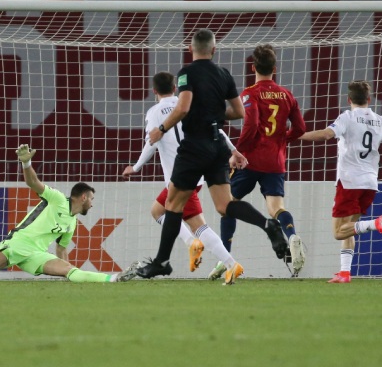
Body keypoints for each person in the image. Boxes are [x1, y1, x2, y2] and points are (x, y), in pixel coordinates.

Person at [133, 29, 288, 282]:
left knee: (172, 205)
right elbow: (239, 112)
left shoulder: (186, 73)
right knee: (224, 205)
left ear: (191, 49)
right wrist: (214, 114)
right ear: (214, 50)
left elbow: (183, 108)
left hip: (195, 145)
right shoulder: (223, 74)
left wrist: (161, 129)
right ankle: (267, 224)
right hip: (218, 145)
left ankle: (162, 261)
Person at [0, 144, 137, 283]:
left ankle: (114, 278)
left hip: (35, 255)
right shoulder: (58, 199)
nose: (93, 205)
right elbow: (33, 182)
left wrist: (66, 271)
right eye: (92, 200)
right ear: (84, 197)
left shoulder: (72, 223)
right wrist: (26, 163)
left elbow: (61, 249)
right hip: (17, 244)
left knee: (70, 270)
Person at [122, 71, 244, 283]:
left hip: (179, 178)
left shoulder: (154, 112)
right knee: (158, 210)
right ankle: (207, 251)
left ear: (154, 91)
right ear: (175, 89)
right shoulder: (189, 104)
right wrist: (234, 150)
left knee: (197, 226)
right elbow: (217, 131)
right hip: (196, 172)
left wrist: (136, 167)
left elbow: (150, 142)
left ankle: (227, 262)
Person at [214, 44, 307, 279]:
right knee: (277, 208)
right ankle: (292, 235)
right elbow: (300, 128)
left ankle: (226, 259)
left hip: (251, 159)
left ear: (253, 67)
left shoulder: (250, 93)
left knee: (228, 204)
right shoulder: (287, 94)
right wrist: (282, 139)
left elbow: (252, 125)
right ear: (274, 69)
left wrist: (238, 151)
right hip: (276, 161)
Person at [300, 80, 382, 283]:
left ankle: (376, 223)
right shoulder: (379, 120)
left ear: (349, 99)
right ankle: (345, 272)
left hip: (349, 182)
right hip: (370, 183)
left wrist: (299, 135)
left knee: (338, 232)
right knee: (349, 227)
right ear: (369, 100)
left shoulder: (347, 117)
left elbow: (326, 134)